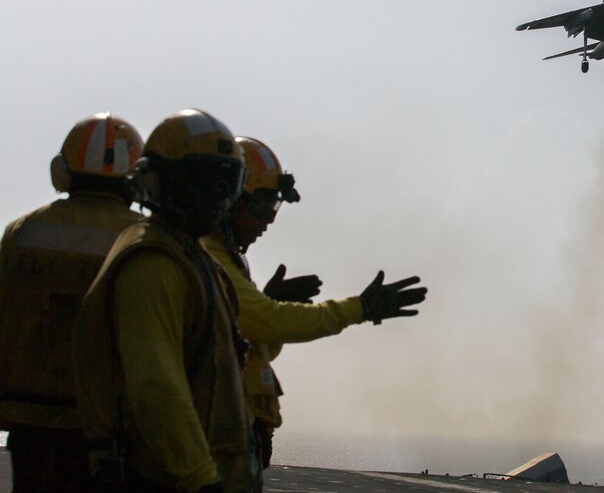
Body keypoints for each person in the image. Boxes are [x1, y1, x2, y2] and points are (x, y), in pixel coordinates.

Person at [201, 136, 428, 468]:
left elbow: (255, 349)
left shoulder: (228, 260)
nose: (269, 220)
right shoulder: (211, 258)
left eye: (274, 208)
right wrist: (360, 308)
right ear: (231, 200)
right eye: (264, 205)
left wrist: (268, 304)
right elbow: (270, 319)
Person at [72, 109, 258, 492]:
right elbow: (156, 387)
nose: (219, 198)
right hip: (165, 478)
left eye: (229, 183)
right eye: (205, 181)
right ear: (160, 180)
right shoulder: (154, 262)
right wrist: (200, 478)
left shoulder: (189, 256)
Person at [0, 112, 144, 492]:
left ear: (62, 171)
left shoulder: (22, 231)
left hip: (29, 417)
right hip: (105, 428)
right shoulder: (140, 238)